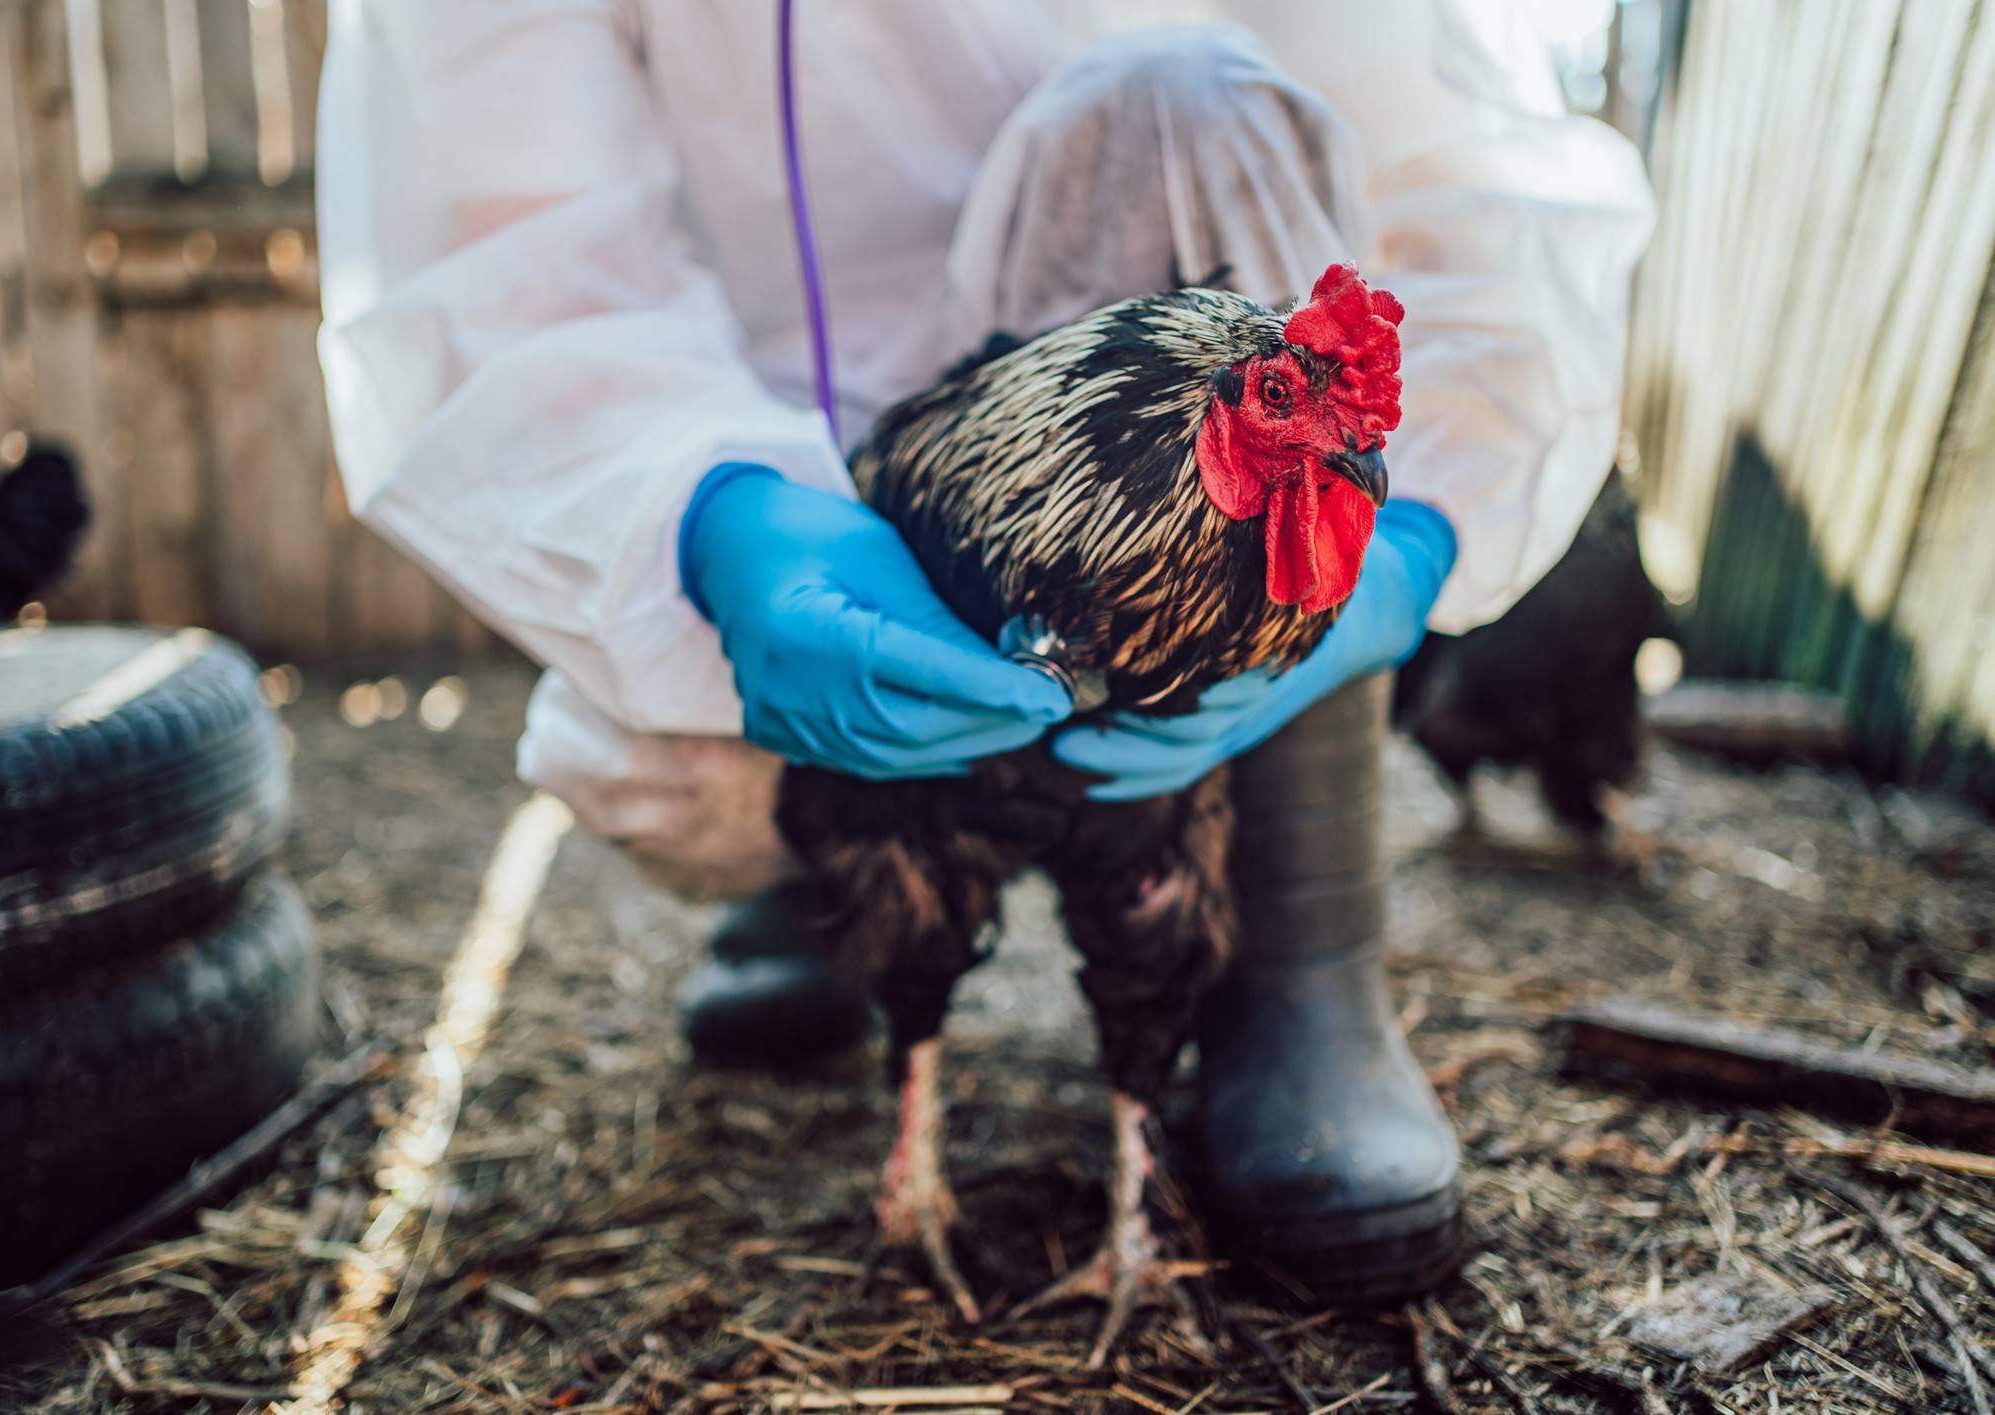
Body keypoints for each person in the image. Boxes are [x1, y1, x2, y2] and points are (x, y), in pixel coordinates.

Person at [316, 0, 1653, 1300]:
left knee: (1197, 94)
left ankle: (1301, 953)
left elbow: (1439, 150)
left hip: (1163, 448)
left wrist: (1410, 528)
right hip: (789, 426)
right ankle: (823, 888)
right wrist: (708, 506)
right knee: (672, 756)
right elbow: (497, 235)